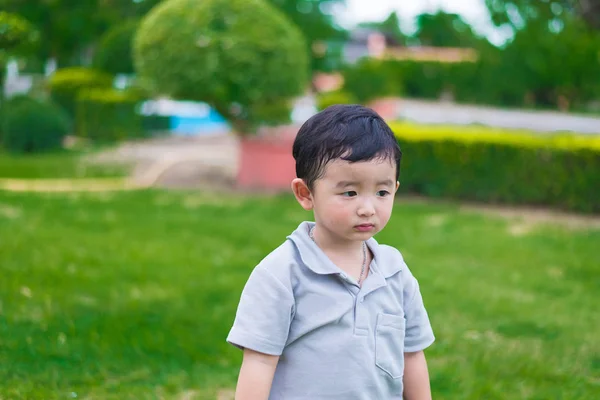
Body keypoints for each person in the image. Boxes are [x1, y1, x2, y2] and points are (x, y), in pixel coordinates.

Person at [227, 104, 435, 399]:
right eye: (349, 192)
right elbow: (259, 361)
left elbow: (412, 354)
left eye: (382, 192)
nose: (367, 208)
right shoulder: (282, 274)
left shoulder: (395, 272)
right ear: (305, 194)